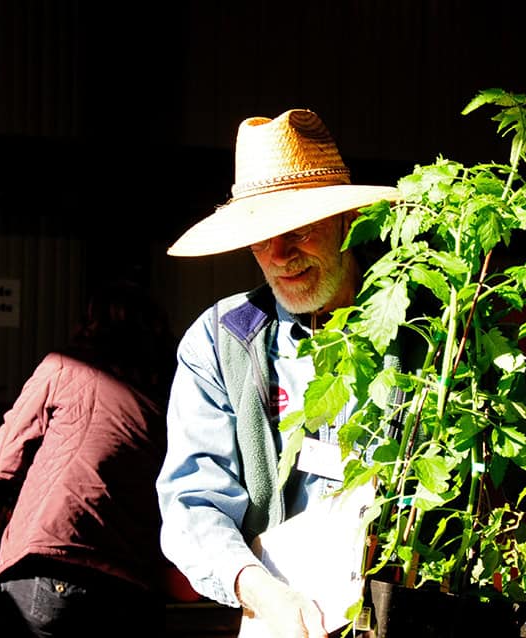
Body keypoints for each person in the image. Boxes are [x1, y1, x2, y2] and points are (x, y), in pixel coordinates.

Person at [157, 109, 399, 637]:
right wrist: (263, 592)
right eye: (260, 237)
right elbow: (193, 500)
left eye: (298, 231)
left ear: (347, 220)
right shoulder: (223, 341)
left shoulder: (424, 326)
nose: (279, 255)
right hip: (281, 617)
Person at [0, 278, 177, 637]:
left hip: (53, 563)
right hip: (134, 582)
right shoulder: (171, 393)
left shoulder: (64, 366)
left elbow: (5, 460)